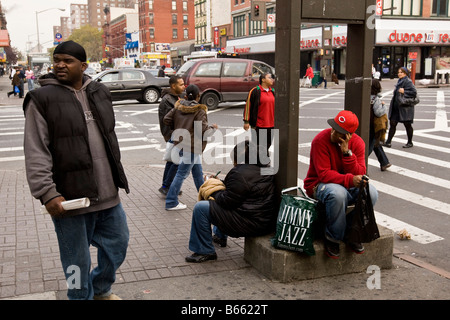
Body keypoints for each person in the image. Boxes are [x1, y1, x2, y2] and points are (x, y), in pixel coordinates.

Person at [23, 40, 130, 300]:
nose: (60, 65)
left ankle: (101, 288)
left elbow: (110, 138)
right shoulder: (41, 98)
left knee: (118, 245)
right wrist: (47, 193)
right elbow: (36, 149)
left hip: (107, 195)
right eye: (57, 59)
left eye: (67, 61)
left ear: (82, 66)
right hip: (69, 200)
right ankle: (79, 296)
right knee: (75, 262)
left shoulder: (100, 92)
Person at [185, 140, 277, 263]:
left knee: (201, 208)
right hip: (262, 220)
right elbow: (238, 192)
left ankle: (204, 250)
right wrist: (221, 183)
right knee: (220, 202)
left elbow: (227, 201)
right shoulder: (265, 169)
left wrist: (212, 190)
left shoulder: (240, 173)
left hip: (250, 223)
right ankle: (219, 236)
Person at [303, 110, 379, 259]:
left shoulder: (358, 143)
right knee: (338, 194)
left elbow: (361, 171)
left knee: (372, 193)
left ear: (348, 135)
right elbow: (324, 174)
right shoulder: (320, 140)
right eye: (334, 128)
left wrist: (347, 154)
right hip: (319, 185)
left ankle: (352, 233)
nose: (333, 133)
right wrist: (350, 180)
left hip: (344, 184)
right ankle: (333, 238)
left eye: (339, 132)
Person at [163, 84, 217, 211]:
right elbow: (203, 132)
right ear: (198, 96)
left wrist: (177, 128)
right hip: (192, 146)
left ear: (186, 95)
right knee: (181, 174)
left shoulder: (178, 107)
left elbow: (166, 119)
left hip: (181, 144)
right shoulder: (199, 111)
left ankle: (204, 198)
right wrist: (214, 128)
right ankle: (171, 201)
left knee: (198, 173)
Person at [158, 75, 185, 196]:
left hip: (176, 134)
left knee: (171, 161)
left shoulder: (176, 97)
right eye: (181, 84)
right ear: (173, 86)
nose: (184, 86)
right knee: (175, 162)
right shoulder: (167, 100)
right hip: (173, 134)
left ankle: (165, 186)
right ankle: (167, 186)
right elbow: (168, 120)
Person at [243, 72, 275, 161]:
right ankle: (257, 164)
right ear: (263, 79)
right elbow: (248, 106)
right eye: (269, 78)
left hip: (271, 125)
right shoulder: (255, 91)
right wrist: (246, 121)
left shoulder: (273, 91)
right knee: (257, 147)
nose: (272, 79)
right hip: (259, 125)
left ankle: (263, 163)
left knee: (267, 145)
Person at [384, 67, 417, 149]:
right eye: (398, 72)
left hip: (404, 108)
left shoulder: (408, 81)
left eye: (401, 72)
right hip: (397, 107)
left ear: (405, 73)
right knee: (393, 123)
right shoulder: (400, 81)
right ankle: (388, 142)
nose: (399, 74)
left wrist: (404, 92)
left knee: (407, 125)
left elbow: (414, 92)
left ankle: (410, 142)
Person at [369, 78, 391, 171]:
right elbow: (378, 113)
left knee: (375, 142)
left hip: (367, 124)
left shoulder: (366, 96)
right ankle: (360, 162)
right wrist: (383, 105)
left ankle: (384, 162)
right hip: (374, 126)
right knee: (371, 144)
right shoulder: (376, 99)